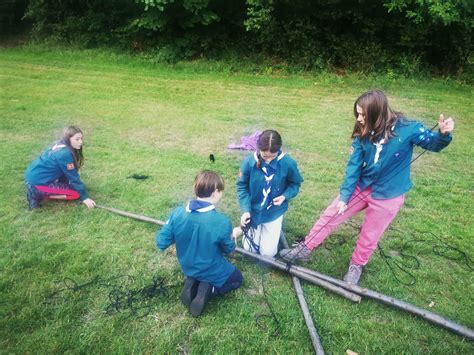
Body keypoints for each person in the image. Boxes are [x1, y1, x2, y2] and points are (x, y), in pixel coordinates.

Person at [279, 89, 454, 285]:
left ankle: (356, 265)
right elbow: (353, 167)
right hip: (362, 186)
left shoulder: (409, 128)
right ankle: (305, 248)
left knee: (371, 232)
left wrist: (443, 135)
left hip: (389, 194)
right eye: (358, 114)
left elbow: (433, 144)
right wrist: (345, 197)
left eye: (363, 114)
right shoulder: (362, 132)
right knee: (331, 213)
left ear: (377, 113)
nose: (360, 119)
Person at [156, 170, 243, 317]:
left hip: (187, 266)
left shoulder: (177, 213)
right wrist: (234, 234)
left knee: (197, 270)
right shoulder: (221, 222)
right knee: (237, 278)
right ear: (215, 193)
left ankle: (193, 282)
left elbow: (161, 242)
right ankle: (209, 289)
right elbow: (228, 249)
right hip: (211, 269)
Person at [237, 129, 304, 257]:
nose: (268, 160)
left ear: (278, 150)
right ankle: (260, 229)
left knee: (267, 254)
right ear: (258, 149)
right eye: (265, 156)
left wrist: (285, 196)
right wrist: (246, 210)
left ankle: (273, 231)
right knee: (249, 250)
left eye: (272, 157)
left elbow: (295, 184)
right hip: (253, 211)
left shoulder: (288, 163)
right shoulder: (249, 162)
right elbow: (241, 186)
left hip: (274, 212)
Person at [25, 126, 96, 209]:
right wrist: (85, 197)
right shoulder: (64, 154)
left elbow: (64, 171)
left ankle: (38, 189)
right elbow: (73, 177)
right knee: (75, 194)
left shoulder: (61, 145)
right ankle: (35, 192)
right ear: (68, 139)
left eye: (81, 138)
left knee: (75, 188)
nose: (80, 142)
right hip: (38, 182)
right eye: (77, 139)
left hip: (33, 176)